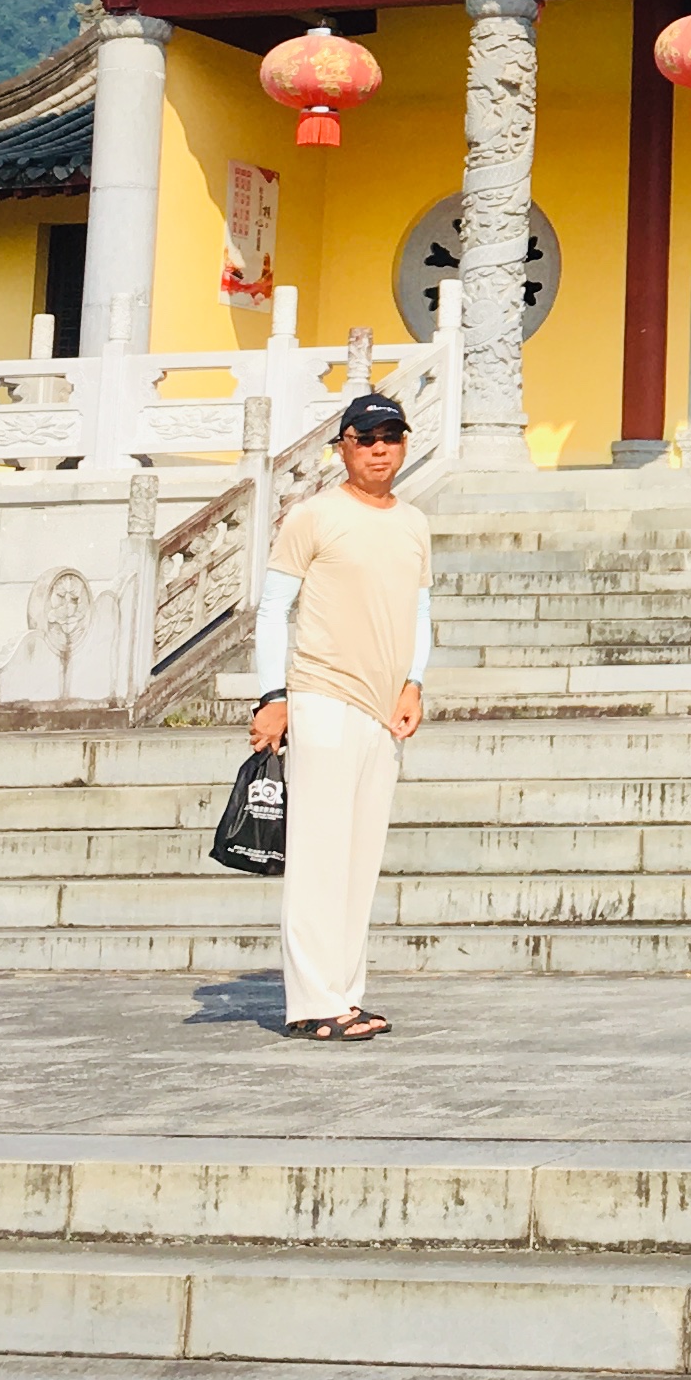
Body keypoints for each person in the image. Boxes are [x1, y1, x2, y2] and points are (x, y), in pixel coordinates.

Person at [248, 390, 431, 1042]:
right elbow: (273, 610)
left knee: (360, 860)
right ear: (344, 447)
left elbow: (421, 613)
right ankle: (311, 1002)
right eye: (366, 438)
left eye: (391, 438)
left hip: (386, 711)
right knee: (321, 855)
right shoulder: (314, 517)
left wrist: (413, 684)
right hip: (323, 697)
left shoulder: (413, 523)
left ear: (403, 444)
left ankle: (345, 995)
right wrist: (274, 697)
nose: (380, 450)